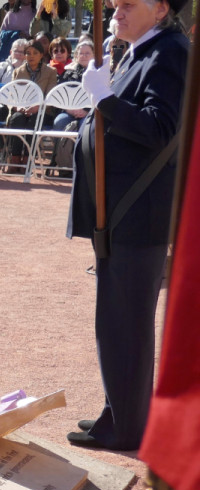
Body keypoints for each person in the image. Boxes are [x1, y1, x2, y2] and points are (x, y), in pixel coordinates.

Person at [66, 0, 188, 451]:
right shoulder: (142, 50)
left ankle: (128, 428)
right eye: (115, 4)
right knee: (116, 320)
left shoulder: (170, 52)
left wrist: (106, 99)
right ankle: (121, 413)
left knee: (126, 323)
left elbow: (159, 127)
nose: (117, 10)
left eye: (128, 4)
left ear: (160, 9)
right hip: (120, 211)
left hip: (138, 212)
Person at [4, 38, 57, 166]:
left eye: (35, 53)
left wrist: (37, 107)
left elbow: (50, 96)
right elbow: (11, 96)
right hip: (21, 109)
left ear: (41, 55)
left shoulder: (50, 72)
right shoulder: (18, 71)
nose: (31, 56)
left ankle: (27, 160)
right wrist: (17, 107)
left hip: (42, 111)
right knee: (17, 119)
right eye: (28, 53)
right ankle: (15, 159)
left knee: (34, 121)